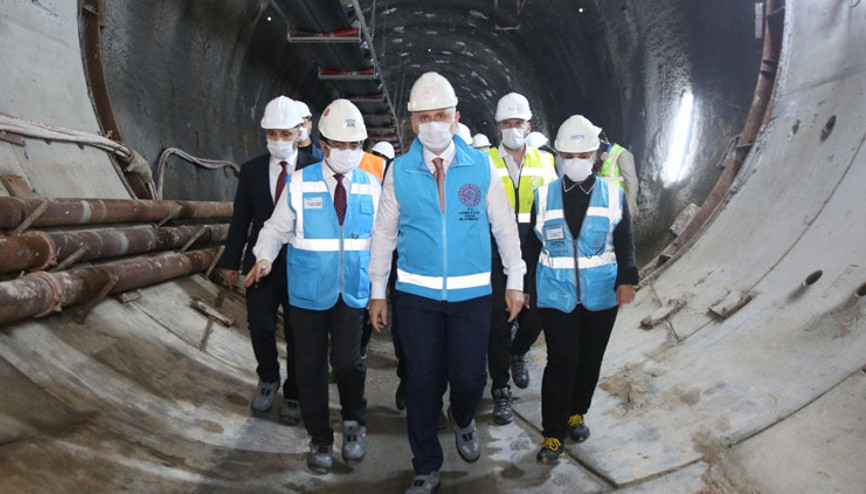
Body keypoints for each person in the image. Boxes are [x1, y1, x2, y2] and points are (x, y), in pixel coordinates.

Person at [368, 72, 525, 494]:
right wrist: (378, 291)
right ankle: (425, 465)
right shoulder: (399, 172)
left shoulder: (482, 167)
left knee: (470, 378)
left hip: (473, 295)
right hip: (417, 296)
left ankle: (464, 416)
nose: (433, 123)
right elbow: (383, 235)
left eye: (441, 115)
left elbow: (505, 226)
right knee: (421, 382)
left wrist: (515, 279)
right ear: (413, 123)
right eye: (424, 117)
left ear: (455, 118)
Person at [245, 99, 381, 474]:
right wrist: (264, 256)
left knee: (347, 363)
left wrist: (381, 288)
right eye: (340, 144)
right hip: (307, 293)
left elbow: (384, 239)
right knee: (309, 368)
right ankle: (320, 437)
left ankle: (354, 423)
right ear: (322, 144)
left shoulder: (372, 186)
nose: (349, 153)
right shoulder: (300, 182)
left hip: (351, 291)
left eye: (356, 146)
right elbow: (275, 228)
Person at [522, 115, 637, 464]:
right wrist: (526, 288)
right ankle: (553, 434)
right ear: (558, 156)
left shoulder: (613, 196)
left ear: (594, 156)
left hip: (601, 295)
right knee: (562, 361)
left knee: (590, 359)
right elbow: (530, 247)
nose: (575, 162)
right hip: (555, 295)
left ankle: (577, 414)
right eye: (568, 156)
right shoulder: (543, 197)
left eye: (582, 155)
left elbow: (625, 241)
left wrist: (627, 279)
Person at [219, 96, 316, 424]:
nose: (278, 141)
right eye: (272, 134)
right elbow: (240, 218)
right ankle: (268, 378)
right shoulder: (252, 170)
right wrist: (231, 261)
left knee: (298, 331)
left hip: (300, 264)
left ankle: (295, 392)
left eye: (285, 134)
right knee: (260, 324)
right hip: (260, 261)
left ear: (299, 131)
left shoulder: (315, 169)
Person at [485, 92, 557, 425]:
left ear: (528, 125)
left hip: (537, 247)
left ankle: (519, 352)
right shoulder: (485, 161)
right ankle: (500, 389)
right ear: (498, 127)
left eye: (519, 123)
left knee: (537, 313)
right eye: (507, 123)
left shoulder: (546, 162)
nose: (513, 128)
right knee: (499, 324)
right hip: (496, 250)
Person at [596, 131, 638, 217]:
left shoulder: (623, 155)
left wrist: (628, 211)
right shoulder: (601, 155)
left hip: (618, 204)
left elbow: (632, 183)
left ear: (603, 140)